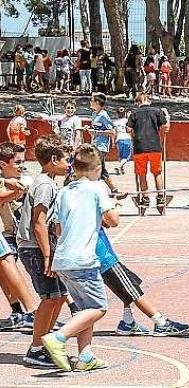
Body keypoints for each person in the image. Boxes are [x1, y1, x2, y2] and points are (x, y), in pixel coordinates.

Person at [42, 144, 118, 372]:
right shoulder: (97, 188)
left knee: (85, 308)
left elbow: (57, 228)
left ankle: (85, 355)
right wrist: (112, 203)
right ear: (97, 168)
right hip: (83, 258)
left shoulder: (64, 191)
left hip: (64, 258)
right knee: (98, 307)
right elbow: (113, 220)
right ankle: (58, 337)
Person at [17, 135, 71, 368]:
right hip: (35, 248)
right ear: (53, 159)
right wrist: (48, 256)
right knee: (49, 298)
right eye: (66, 159)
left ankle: (46, 342)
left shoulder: (50, 182)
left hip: (44, 247)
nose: (69, 164)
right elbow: (38, 223)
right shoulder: (44, 185)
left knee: (59, 296)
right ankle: (36, 348)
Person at [97, 221, 189, 336]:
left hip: (98, 257)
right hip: (105, 258)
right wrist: (109, 210)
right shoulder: (90, 209)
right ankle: (161, 323)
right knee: (133, 291)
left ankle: (128, 323)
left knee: (128, 287)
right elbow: (112, 220)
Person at [0, 142, 37, 332]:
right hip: (9, 233)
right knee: (6, 264)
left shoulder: (24, 179)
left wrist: (16, 188)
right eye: (17, 162)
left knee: (6, 264)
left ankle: (28, 312)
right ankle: (28, 312)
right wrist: (15, 189)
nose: (21, 166)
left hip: (24, 234)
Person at [127, 93, 170, 210]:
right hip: (155, 146)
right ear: (148, 101)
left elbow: (129, 129)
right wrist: (167, 116)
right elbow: (166, 127)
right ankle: (160, 196)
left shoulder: (134, 113)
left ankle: (145, 198)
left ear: (138, 102)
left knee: (141, 174)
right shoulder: (157, 112)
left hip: (139, 147)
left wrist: (133, 133)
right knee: (157, 172)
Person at [86, 93, 125, 198]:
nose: (90, 102)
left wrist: (97, 132)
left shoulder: (104, 115)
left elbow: (112, 131)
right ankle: (112, 190)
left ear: (97, 103)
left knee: (98, 168)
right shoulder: (94, 114)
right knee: (99, 168)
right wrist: (90, 130)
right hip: (94, 145)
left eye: (92, 100)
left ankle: (111, 190)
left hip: (101, 146)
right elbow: (95, 129)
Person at [113, 108, 133, 175]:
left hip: (119, 140)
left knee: (121, 155)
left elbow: (114, 133)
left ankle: (121, 169)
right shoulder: (128, 121)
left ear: (117, 114)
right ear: (125, 113)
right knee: (126, 157)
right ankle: (118, 166)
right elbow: (130, 129)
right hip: (127, 139)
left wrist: (113, 142)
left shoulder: (115, 122)